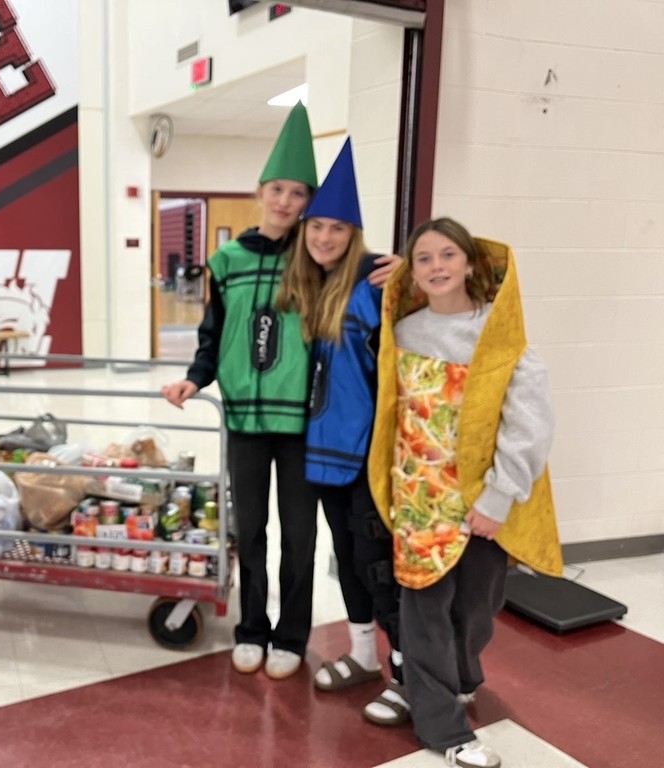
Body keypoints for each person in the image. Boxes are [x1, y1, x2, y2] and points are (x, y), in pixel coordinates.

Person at [367, 217, 562, 768]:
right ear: (412, 271)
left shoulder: (499, 337)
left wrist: (499, 497)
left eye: (448, 255)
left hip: (481, 501)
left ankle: (458, 677)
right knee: (423, 608)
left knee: (478, 604)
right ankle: (444, 728)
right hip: (420, 500)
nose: (437, 267)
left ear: (471, 263)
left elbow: (528, 426)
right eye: (424, 258)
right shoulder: (403, 332)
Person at [162, 102, 323, 681]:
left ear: (308, 201)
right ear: (260, 192)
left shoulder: (317, 256)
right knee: (249, 530)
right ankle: (252, 628)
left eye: (298, 193)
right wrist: (196, 376)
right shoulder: (226, 261)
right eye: (277, 189)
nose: (285, 201)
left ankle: (292, 636)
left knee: (299, 536)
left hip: (302, 421)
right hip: (245, 420)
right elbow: (214, 332)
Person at [275, 137, 406, 724]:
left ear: (354, 234)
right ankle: (363, 656)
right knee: (348, 561)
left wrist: (411, 275)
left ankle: (410, 676)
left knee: (380, 567)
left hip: (368, 455)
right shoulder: (311, 286)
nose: (325, 237)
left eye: (337, 228)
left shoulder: (378, 282)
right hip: (323, 453)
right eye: (317, 226)